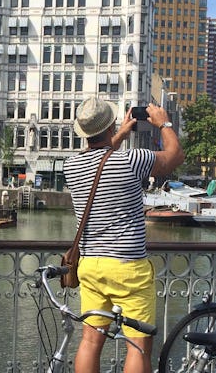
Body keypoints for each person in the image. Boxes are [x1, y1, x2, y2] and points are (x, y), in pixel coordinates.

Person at [63, 98, 183, 373]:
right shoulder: (132, 160)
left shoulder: (71, 167)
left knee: (91, 341)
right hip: (128, 266)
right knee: (138, 345)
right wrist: (163, 122)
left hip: (91, 266)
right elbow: (175, 155)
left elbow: (100, 156)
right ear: (111, 125)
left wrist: (119, 134)